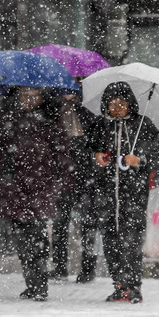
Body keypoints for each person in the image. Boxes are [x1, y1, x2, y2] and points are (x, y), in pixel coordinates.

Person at [0, 86, 70, 301]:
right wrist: (4, 161)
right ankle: (32, 283)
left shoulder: (51, 120)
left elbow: (62, 152)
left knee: (37, 234)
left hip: (41, 186)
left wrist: (58, 178)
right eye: (25, 95)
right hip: (15, 185)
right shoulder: (7, 119)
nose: (29, 100)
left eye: (34, 95)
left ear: (43, 97)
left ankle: (40, 284)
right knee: (21, 238)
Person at [87, 81, 159, 303]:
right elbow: (83, 152)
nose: (117, 108)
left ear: (130, 104)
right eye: (113, 104)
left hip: (134, 194)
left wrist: (140, 160)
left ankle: (133, 285)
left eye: (122, 103)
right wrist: (95, 157)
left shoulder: (143, 125)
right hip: (106, 194)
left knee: (131, 240)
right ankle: (119, 284)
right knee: (110, 240)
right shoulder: (99, 126)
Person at [49, 89, 99, 282]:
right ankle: (60, 266)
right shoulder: (53, 108)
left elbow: (95, 138)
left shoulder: (88, 107)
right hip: (62, 171)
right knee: (60, 223)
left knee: (88, 223)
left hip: (86, 172)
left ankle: (88, 268)